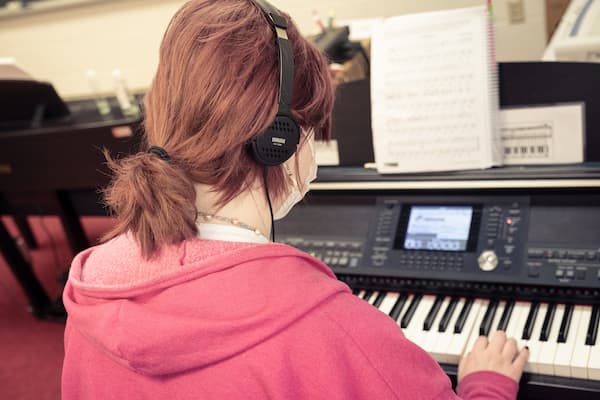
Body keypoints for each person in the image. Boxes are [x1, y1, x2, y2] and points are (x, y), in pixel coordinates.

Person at [62, 0, 528, 399]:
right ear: (278, 142)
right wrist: (486, 384)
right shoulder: (334, 330)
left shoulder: (91, 287)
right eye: (314, 134)